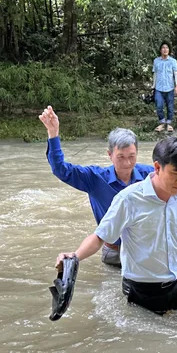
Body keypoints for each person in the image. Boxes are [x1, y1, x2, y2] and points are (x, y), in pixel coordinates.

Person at [55, 137, 177, 314]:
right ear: (158, 167)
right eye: (176, 173)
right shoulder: (129, 199)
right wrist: (75, 257)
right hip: (141, 289)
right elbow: (99, 237)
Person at [39, 105, 154, 267]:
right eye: (120, 157)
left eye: (132, 156)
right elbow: (61, 170)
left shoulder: (150, 176)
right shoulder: (94, 178)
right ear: (109, 155)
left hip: (147, 249)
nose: (127, 163)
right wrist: (53, 134)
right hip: (114, 252)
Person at [152, 42, 177, 133]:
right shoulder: (156, 61)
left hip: (170, 87)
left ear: (169, 50)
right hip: (159, 88)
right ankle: (162, 123)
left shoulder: (173, 61)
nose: (165, 49)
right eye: (163, 48)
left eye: (167, 48)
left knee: (170, 107)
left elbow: (176, 74)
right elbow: (155, 74)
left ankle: (169, 124)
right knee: (159, 105)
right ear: (160, 50)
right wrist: (153, 86)